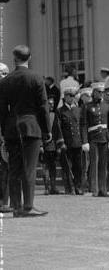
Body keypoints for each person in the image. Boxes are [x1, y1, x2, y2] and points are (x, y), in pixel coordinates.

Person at [0, 45, 51, 217]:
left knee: (14, 168)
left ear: (14, 59)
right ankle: (28, 206)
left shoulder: (5, 81)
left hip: (12, 128)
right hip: (31, 126)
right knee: (29, 168)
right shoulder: (36, 78)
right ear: (29, 58)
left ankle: (16, 206)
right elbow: (43, 106)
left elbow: (2, 109)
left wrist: (3, 130)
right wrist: (47, 130)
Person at [81, 82, 109, 197]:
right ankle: (95, 189)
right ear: (94, 92)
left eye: (102, 92)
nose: (101, 94)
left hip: (104, 138)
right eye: (99, 92)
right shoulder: (87, 106)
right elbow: (84, 124)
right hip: (93, 138)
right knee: (94, 164)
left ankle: (103, 189)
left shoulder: (106, 106)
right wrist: (85, 141)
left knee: (103, 164)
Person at [57, 87, 84, 194]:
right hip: (67, 143)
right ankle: (69, 187)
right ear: (66, 97)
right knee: (67, 166)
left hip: (77, 142)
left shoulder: (78, 110)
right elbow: (58, 128)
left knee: (78, 166)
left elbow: (81, 126)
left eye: (74, 96)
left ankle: (78, 186)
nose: (73, 98)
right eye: (70, 96)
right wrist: (61, 142)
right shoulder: (60, 111)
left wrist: (83, 141)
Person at [41, 101, 65, 195]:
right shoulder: (41, 116)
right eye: (49, 103)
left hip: (53, 145)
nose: (51, 105)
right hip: (44, 145)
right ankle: (47, 187)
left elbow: (58, 130)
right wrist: (40, 145)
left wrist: (59, 145)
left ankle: (53, 187)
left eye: (52, 103)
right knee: (45, 166)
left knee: (53, 167)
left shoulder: (55, 115)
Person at [0, 62, 11, 213]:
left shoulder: (10, 94)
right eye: (1, 73)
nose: (4, 77)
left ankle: (4, 201)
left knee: (6, 169)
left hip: (6, 135)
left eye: (5, 73)